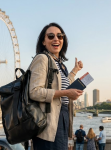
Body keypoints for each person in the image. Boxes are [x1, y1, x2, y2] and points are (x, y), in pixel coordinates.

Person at [30, 22, 83, 150]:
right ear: (43, 41)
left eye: (60, 36)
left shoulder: (60, 64)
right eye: (51, 36)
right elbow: (34, 91)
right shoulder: (43, 59)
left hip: (62, 118)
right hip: (48, 122)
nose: (56, 39)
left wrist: (75, 70)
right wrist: (65, 94)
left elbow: (64, 87)